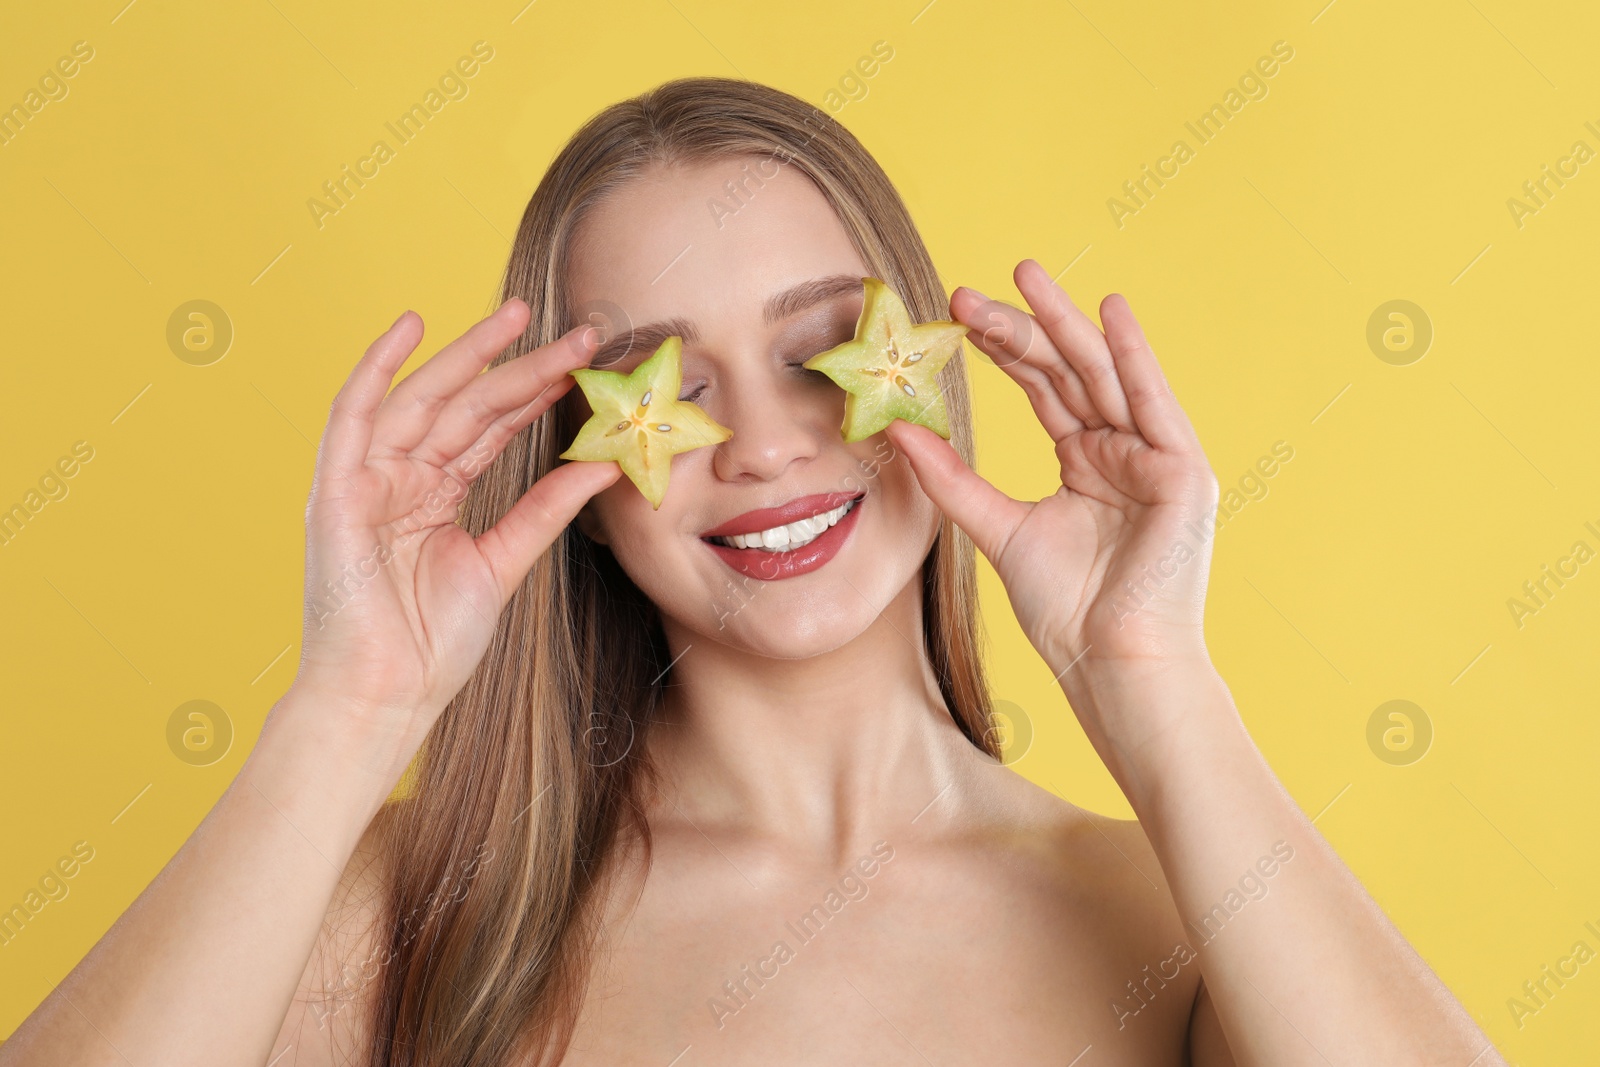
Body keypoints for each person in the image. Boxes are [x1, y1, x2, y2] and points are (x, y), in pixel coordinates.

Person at [0, 77, 1501, 1067]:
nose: (769, 445)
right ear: (582, 480)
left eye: (817, 351)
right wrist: (347, 705)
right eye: (667, 382)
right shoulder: (414, 913)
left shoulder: (1176, 920)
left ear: (930, 378)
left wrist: (1155, 681)